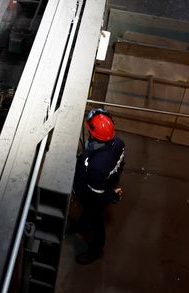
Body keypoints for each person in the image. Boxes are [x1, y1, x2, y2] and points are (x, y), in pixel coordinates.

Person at [71, 108, 125, 264]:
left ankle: (96, 251)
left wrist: (113, 195)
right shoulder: (118, 143)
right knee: (87, 211)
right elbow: (120, 165)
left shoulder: (96, 165)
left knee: (95, 220)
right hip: (103, 182)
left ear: (95, 136)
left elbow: (97, 193)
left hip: (93, 192)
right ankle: (80, 225)